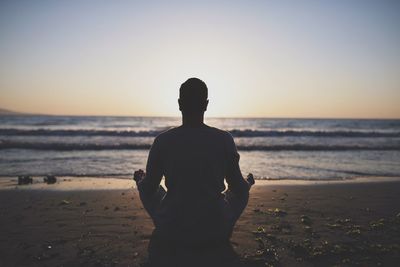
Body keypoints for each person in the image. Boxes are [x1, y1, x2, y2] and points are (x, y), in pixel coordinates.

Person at [133, 78, 254, 265]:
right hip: (215, 228)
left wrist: (140, 181)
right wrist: (248, 183)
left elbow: (149, 190)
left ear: (179, 104)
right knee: (243, 192)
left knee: (149, 189)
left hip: (172, 229)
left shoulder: (163, 141)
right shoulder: (223, 139)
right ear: (206, 105)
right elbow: (238, 189)